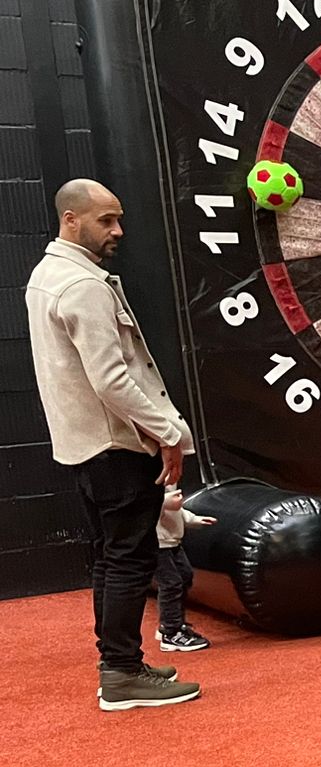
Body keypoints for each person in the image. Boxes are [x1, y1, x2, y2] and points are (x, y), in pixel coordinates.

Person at [26, 178, 201, 710]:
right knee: (129, 560)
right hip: (118, 448)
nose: (118, 230)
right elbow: (112, 379)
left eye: (119, 218)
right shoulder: (83, 285)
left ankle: (119, 664)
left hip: (85, 447)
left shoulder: (45, 276)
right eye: (106, 220)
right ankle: (122, 674)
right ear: (71, 219)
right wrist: (167, 433)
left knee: (109, 558)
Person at [154, 485, 215, 652]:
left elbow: (176, 510)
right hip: (157, 545)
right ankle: (170, 632)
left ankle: (173, 622)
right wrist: (163, 502)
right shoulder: (148, 480)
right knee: (171, 584)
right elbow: (142, 510)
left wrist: (193, 519)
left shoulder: (169, 480)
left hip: (173, 542)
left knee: (185, 576)